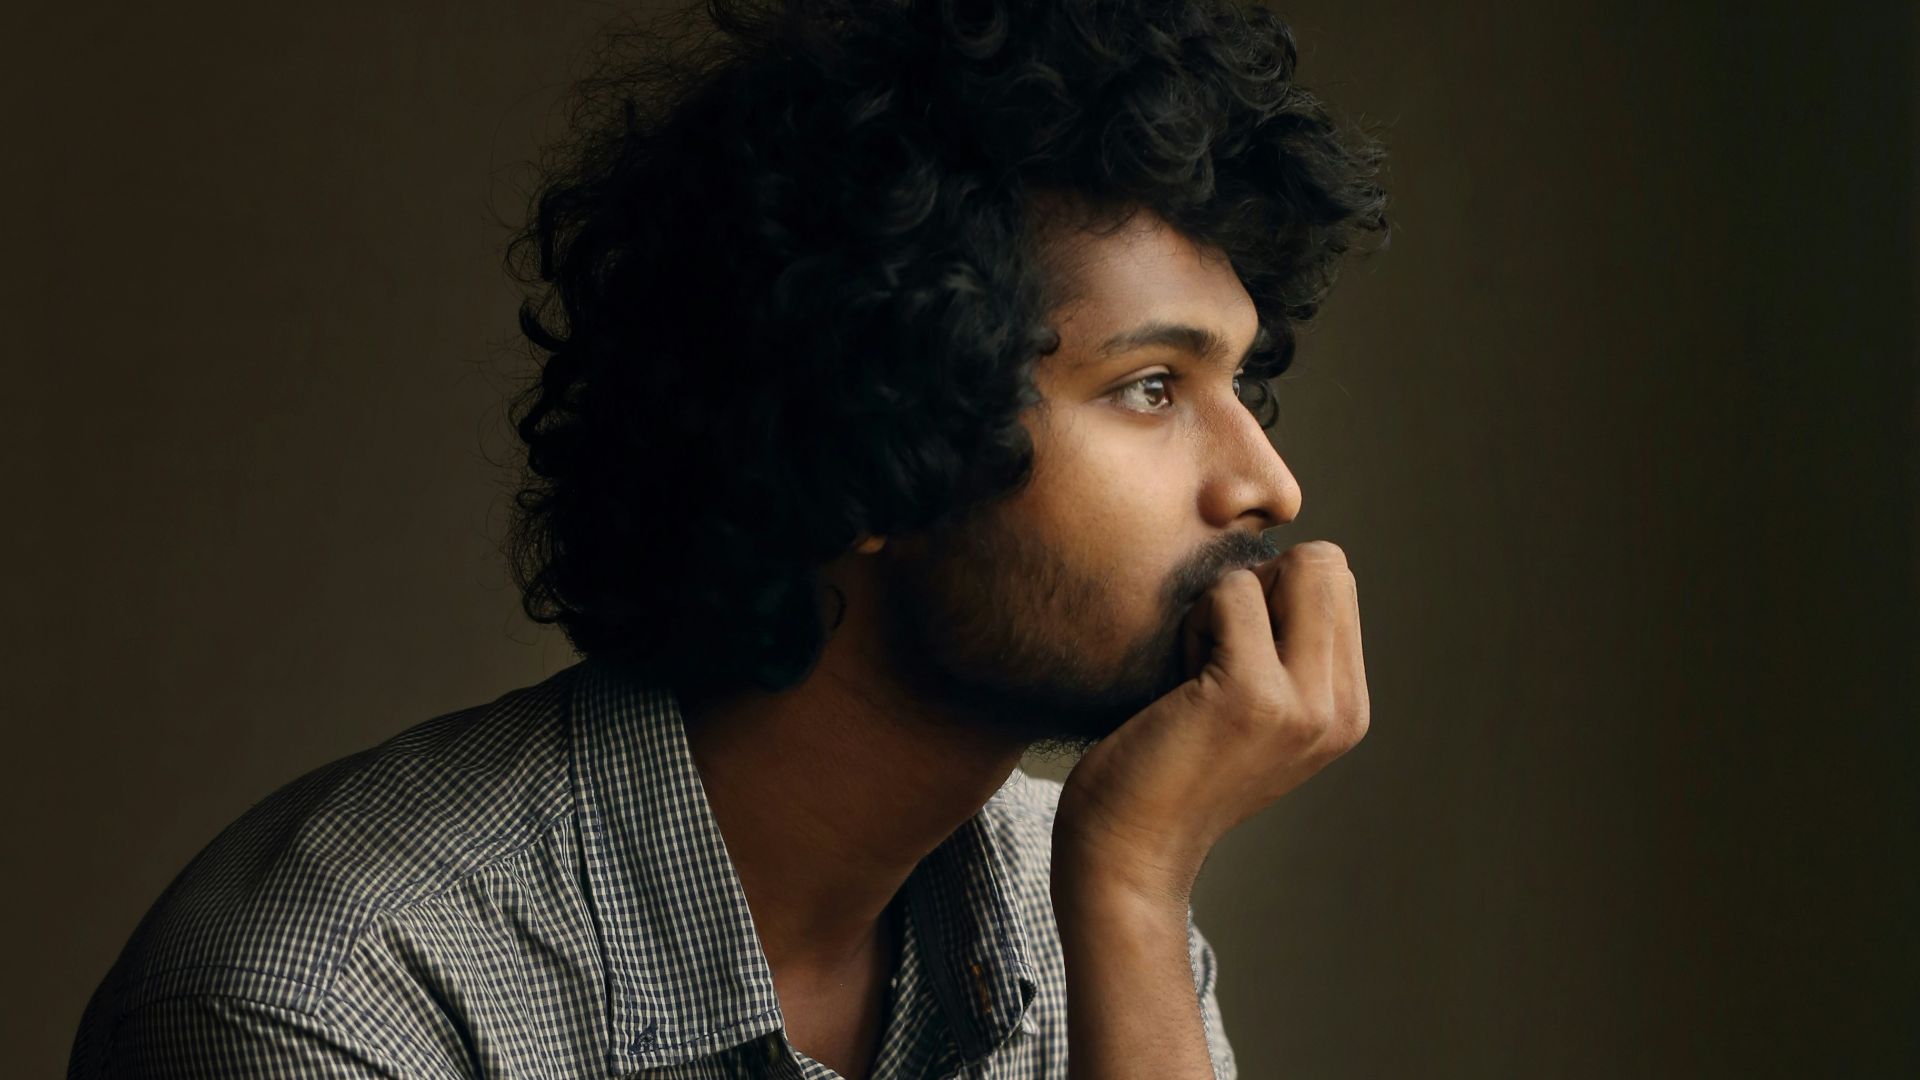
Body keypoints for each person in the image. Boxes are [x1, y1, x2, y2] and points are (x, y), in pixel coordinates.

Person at [69, 0, 1384, 1076]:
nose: (1267, 485)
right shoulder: (333, 999)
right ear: (869, 431)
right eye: (1152, 388)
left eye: (1242, 390)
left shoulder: (1084, 887)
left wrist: (1135, 890)